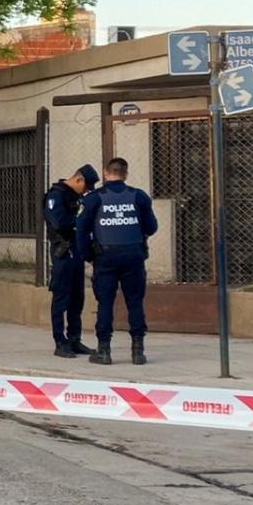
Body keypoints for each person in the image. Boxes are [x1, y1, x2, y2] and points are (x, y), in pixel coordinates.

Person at [75, 157, 158, 366]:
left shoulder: (94, 199)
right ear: (126, 174)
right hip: (133, 255)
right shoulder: (138, 196)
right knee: (135, 302)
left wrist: (88, 255)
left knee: (105, 303)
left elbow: (81, 231)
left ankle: (104, 351)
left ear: (105, 173)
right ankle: (138, 351)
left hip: (105, 257)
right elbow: (151, 227)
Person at [42, 164, 100, 358]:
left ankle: (74, 339)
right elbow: (59, 222)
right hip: (63, 253)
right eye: (86, 186)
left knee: (77, 299)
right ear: (79, 180)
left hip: (77, 252)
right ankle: (60, 341)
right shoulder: (55, 196)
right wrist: (80, 222)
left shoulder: (76, 197)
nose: (87, 191)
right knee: (61, 298)